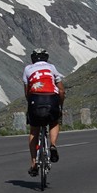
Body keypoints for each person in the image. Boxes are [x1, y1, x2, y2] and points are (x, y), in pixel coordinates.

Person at [23, 48, 65, 177]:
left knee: (33, 130)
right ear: (46, 58)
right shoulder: (51, 68)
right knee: (53, 122)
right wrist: (60, 106)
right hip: (52, 98)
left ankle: (34, 163)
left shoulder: (27, 69)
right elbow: (62, 90)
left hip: (35, 99)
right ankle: (52, 145)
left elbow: (27, 91)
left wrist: (30, 104)